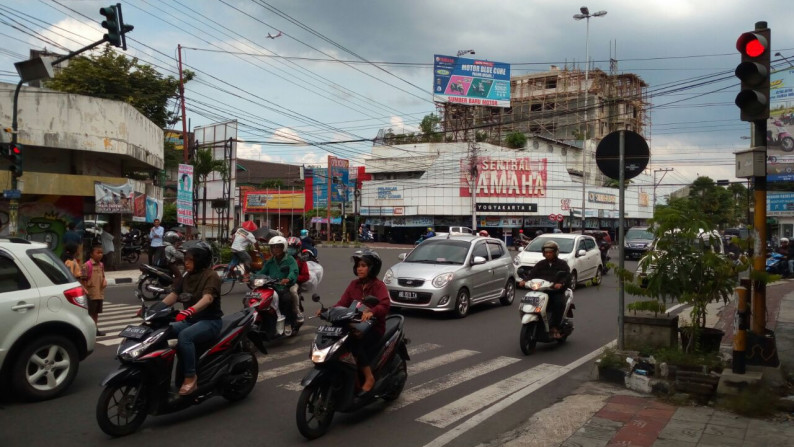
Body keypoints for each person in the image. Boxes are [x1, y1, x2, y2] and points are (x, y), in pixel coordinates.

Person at [319, 249, 389, 394]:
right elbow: (342, 303)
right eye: (358, 265)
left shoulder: (378, 286)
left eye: (363, 265)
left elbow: (384, 305)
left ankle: (369, 377)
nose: (359, 268)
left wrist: (371, 312)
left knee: (354, 342)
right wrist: (327, 311)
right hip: (353, 324)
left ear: (372, 268)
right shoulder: (354, 285)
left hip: (374, 328)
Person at [160, 240, 222, 396]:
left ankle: (190, 377)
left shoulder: (211, 275)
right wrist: (155, 309)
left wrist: (190, 311)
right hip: (191, 320)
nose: (185, 263)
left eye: (189, 259)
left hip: (210, 321)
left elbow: (208, 298)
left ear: (200, 259)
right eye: (185, 259)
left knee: (185, 336)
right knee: (163, 331)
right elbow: (174, 295)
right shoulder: (187, 276)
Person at [517, 241, 570, 340]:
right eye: (546, 252)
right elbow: (532, 275)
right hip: (541, 291)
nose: (548, 254)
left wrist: (561, 283)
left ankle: (555, 327)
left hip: (555, 292)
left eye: (550, 252)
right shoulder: (540, 264)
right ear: (543, 253)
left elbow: (567, 276)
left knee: (558, 304)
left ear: (555, 252)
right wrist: (524, 281)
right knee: (529, 300)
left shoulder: (562, 264)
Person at [257, 236, 299, 325]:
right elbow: (262, 272)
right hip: (272, 286)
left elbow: (294, 271)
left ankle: (289, 322)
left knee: (286, 299)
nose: (275, 249)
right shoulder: (270, 261)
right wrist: (252, 277)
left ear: (283, 247)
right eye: (273, 247)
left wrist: (288, 279)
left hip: (285, 286)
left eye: (278, 247)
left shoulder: (290, 259)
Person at [82, 243, 107, 336]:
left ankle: (95, 329)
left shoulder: (101, 265)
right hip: (90, 294)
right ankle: (89, 330)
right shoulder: (86, 265)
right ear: (91, 254)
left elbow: (103, 276)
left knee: (96, 313)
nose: (100, 254)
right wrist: (85, 289)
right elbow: (83, 279)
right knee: (89, 313)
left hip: (99, 293)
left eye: (101, 252)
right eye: (98, 252)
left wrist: (104, 281)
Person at [287, 236, 308, 325]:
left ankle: (297, 311)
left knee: (292, 291)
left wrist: (294, 278)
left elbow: (306, 276)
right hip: (280, 281)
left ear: (298, 249)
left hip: (294, 283)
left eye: (293, 248)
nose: (290, 250)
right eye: (289, 248)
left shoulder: (301, 261)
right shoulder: (282, 258)